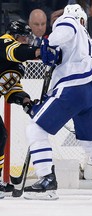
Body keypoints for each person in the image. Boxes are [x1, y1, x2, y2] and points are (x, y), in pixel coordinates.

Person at [23, 4, 92, 200]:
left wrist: (47, 44)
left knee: (35, 129)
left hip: (73, 88)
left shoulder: (68, 22)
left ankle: (46, 181)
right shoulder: (89, 41)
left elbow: (61, 34)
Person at [0, 20, 41, 199]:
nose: (28, 41)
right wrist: (39, 52)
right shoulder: (4, 42)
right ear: (16, 36)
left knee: (0, 135)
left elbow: (11, 88)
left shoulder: (18, 63)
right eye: (25, 37)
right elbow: (16, 51)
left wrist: (25, 101)